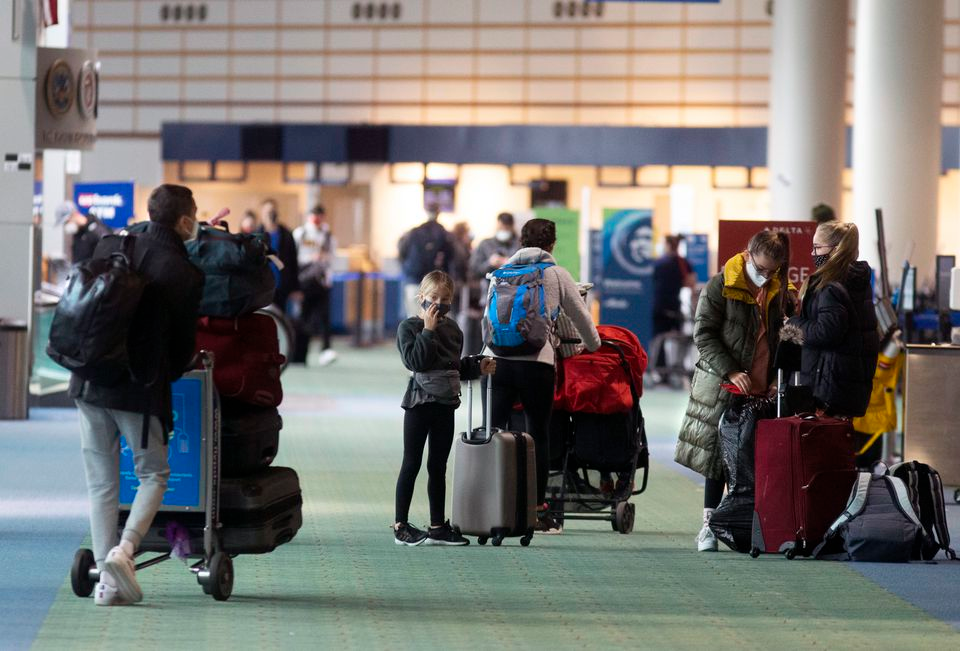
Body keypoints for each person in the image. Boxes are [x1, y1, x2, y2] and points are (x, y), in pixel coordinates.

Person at [69, 184, 205, 606]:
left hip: (88, 381)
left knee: (102, 483)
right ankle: (124, 551)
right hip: (137, 389)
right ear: (185, 220)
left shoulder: (111, 244)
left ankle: (105, 582)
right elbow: (181, 350)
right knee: (153, 474)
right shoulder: (183, 272)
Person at [674, 230, 793, 552]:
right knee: (717, 459)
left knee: (754, 462)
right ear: (748, 254)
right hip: (723, 385)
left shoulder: (780, 289)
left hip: (763, 387)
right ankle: (709, 526)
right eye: (761, 268)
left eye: (772, 270)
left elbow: (783, 338)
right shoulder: (720, 285)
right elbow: (704, 334)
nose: (765, 275)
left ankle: (751, 526)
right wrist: (730, 370)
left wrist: (776, 378)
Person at [484, 218, 601, 534]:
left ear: (520, 242)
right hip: (537, 364)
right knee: (537, 435)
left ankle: (491, 506)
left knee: (493, 433)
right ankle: (535, 511)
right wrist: (593, 345)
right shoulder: (557, 274)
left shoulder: (499, 273)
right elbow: (581, 318)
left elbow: (488, 320)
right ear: (552, 244)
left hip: (497, 363)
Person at [394, 270, 497, 545]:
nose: (439, 304)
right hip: (419, 404)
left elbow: (453, 367)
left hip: (445, 404)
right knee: (411, 463)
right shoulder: (408, 328)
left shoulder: (454, 330)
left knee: (438, 466)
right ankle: (400, 525)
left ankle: (437, 526)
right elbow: (416, 362)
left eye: (445, 299)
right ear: (421, 297)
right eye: (434, 297)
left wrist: (476, 366)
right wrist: (428, 330)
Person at [780, 221, 879, 418]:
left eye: (817, 247)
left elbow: (825, 332)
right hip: (847, 385)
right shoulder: (857, 280)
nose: (812, 253)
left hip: (827, 387)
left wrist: (791, 323)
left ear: (835, 250)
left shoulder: (831, 286)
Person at [293, 204, 338, 367]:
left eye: (320, 215)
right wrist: (310, 259)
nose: (317, 219)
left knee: (324, 318)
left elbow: (332, 258)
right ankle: (299, 354)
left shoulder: (328, 235)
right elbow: (294, 257)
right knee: (303, 317)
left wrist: (327, 272)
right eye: (314, 215)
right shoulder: (300, 233)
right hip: (304, 282)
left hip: (321, 282)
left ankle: (326, 350)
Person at [651, 234, 697, 381]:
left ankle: (661, 371)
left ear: (667, 245)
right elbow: (690, 284)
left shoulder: (658, 263)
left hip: (659, 306)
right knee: (679, 338)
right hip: (673, 307)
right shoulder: (683, 263)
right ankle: (676, 368)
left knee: (658, 339)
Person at [398, 208, 455, 317]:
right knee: (436, 318)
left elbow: (402, 252)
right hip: (433, 283)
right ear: (438, 214)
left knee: (413, 317)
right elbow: (450, 256)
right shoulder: (442, 233)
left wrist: (406, 269)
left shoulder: (414, 232)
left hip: (413, 279)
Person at [258, 198, 299, 312]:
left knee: (280, 317)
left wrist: (295, 288)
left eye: (273, 211)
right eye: (267, 212)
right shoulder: (256, 235)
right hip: (262, 288)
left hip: (282, 287)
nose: (271, 215)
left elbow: (293, 262)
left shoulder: (286, 235)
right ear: (262, 214)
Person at [469, 212, 520, 301]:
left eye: (506, 228)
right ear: (497, 226)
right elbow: (474, 269)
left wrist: (510, 263)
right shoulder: (485, 244)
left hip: (514, 297)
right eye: (501, 228)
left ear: (512, 227)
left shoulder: (519, 246)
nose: (503, 231)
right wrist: (490, 263)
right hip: (489, 296)